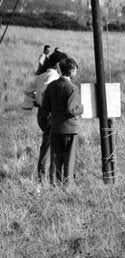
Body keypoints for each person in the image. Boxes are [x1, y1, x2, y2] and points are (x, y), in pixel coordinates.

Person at [39, 56, 84, 185]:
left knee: (56, 158)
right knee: (69, 158)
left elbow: (45, 107)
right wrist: (81, 108)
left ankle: (56, 183)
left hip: (55, 128)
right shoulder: (72, 88)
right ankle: (68, 185)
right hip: (70, 128)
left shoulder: (51, 86)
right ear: (72, 70)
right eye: (75, 69)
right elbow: (71, 109)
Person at [32, 50, 67, 182]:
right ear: (58, 64)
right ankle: (43, 178)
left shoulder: (43, 75)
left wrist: (38, 101)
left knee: (48, 144)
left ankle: (47, 177)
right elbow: (43, 91)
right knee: (48, 146)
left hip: (41, 112)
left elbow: (31, 91)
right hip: (49, 113)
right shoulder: (54, 76)